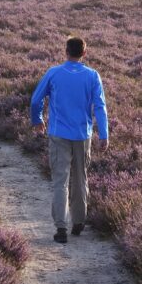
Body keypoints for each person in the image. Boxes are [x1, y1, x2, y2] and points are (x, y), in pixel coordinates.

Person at [30, 36, 109, 244]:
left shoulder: (54, 73)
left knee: (60, 181)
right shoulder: (92, 76)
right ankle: (79, 222)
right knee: (80, 178)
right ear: (85, 53)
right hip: (83, 135)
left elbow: (36, 99)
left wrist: (37, 120)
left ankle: (61, 228)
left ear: (66, 51)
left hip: (58, 134)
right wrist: (104, 134)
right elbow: (100, 107)